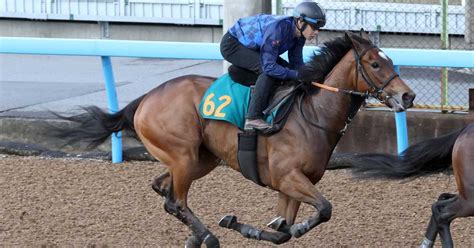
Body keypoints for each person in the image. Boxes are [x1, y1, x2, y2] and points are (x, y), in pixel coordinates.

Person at [220, 1, 326, 131]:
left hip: (254, 48)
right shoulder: (278, 29)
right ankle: (253, 117)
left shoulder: (300, 35)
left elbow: (296, 62)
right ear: (300, 22)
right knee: (269, 72)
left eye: (318, 29)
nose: (316, 32)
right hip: (233, 45)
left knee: (286, 70)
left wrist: (308, 77)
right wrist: (296, 74)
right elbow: (269, 67)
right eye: (314, 27)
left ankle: (240, 72)